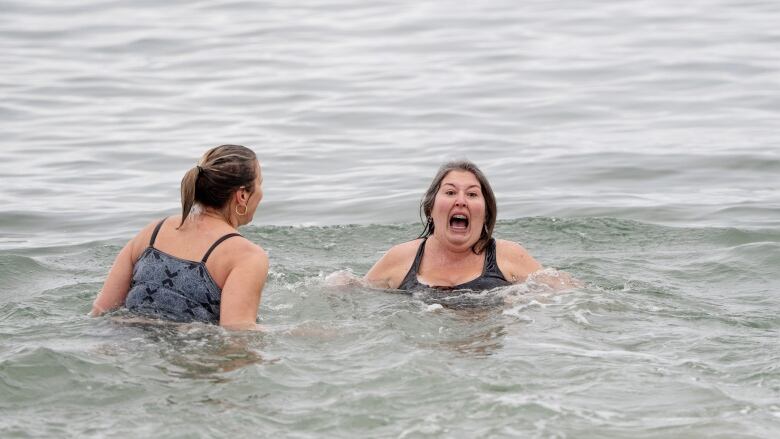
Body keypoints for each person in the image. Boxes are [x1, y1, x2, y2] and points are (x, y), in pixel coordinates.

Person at [91, 144, 268, 330]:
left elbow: (101, 311)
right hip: (187, 353)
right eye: (260, 183)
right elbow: (237, 337)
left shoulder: (153, 231)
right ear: (242, 195)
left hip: (120, 341)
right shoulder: (246, 256)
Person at [365, 160, 563, 291]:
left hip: (485, 347)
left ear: (486, 213)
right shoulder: (400, 258)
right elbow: (356, 292)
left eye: (472, 194)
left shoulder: (510, 255)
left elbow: (566, 293)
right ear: (430, 209)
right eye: (450, 193)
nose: (461, 201)